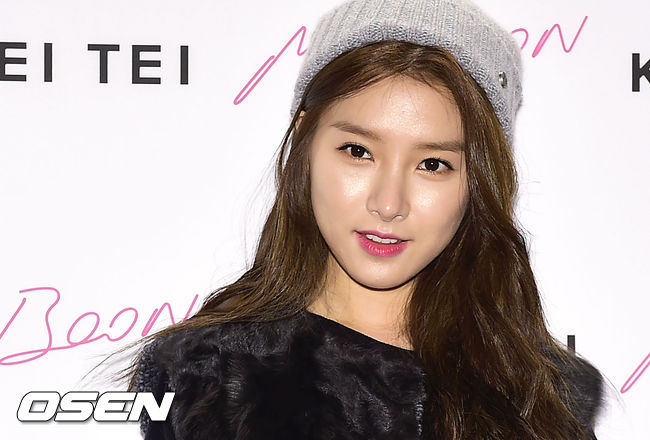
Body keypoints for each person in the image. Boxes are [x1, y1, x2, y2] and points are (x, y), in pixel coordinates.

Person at [128, 0, 605, 438]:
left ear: (480, 180)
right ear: (305, 142)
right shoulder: (203, 374)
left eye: (433, 164)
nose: (388, 203)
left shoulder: (550, 396)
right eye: (358, 151)